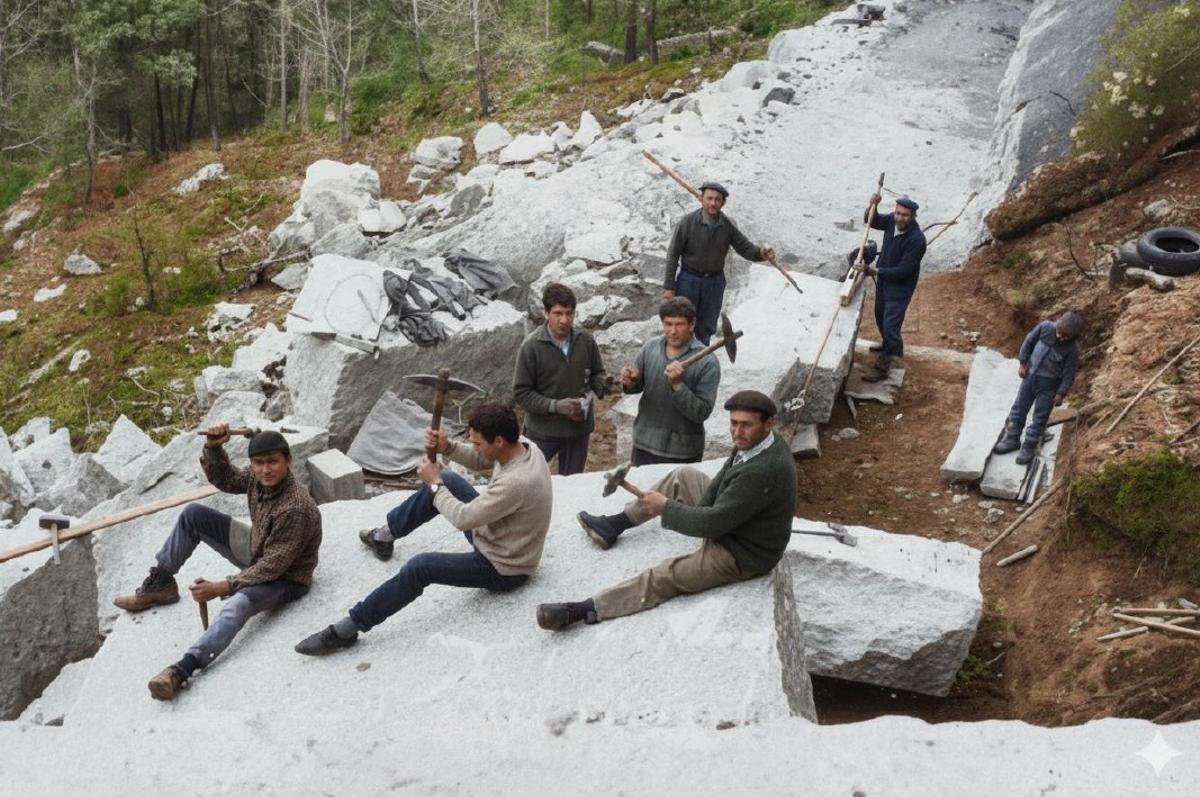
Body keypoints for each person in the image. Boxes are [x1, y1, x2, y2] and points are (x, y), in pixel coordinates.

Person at [295, 402, 552, 655]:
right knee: (449, 480)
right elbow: (481, 459)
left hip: (504, 566)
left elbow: (463, 518)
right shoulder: (524, 447)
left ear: (498, 441)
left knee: (420, 567)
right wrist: (448, 447)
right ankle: (385, 535)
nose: (475, 447)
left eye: (477, 443)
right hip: (498, 535)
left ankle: (347, 629)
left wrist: (434, 484)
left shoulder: (516, 482)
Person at [536, 390, 797, 629]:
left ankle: (586, 609)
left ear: (769, 424)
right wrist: (698, 509)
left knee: (664, 576)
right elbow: (723, 479)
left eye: (746, 424)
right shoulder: (754, 443)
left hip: (742, 552)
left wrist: (667, 509)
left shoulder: (763, 470)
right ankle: (613, 525)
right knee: (682, 476)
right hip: (732, 520)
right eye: (733, 423)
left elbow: (712, 525)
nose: (737, 431)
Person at [113, 424, 322, 701]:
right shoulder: (256, 479)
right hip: (257, 549)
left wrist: (224, 587)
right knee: (194, 514)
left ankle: (182, 669)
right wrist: (214, 447)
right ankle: (161, 583)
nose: (265, 470)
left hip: (286, 578)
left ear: (288, 461)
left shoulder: (295, 507)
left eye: (272, 462)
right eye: (258, 463)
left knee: (238, 603)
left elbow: (273, 566)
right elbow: (226, 478)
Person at [512, 282, 607, 476]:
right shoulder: (531, 347)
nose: (564, 320)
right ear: (546, 313)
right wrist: (556, 406)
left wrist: (604, 385)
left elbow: (597, 373)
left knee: (572, 484)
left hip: (577, 432)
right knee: (524, 477)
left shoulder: (585, 340)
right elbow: (522, 393)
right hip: (542, 432)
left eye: (569, 313)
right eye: (558, 313)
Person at [664, 181, 775, 345]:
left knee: (706, 325)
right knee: (682, 322)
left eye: (717, 200)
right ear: (701, 199)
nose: (713, 203)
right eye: (709, 198)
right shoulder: (687, 222)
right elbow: (673, 254)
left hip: (714, 283)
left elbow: (745, 248)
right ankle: (679, 362)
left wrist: (761, 254)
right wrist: (669, 286)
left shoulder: (727, 226)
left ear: (723, 203)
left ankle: (701, 360)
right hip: (689, 280)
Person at [993, 312, 1084, 465]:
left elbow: (1069, 373)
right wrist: (1022, 362)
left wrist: (1061, 393)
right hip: (1029, 378)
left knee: (1040, 417)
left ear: (1074, 337)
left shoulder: (1072, 350)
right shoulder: (1045, 327)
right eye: (1060, 333)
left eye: (1066, 337)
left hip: (1049, 387)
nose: (1061, 338)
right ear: (1058, 324)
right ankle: (1012, 439)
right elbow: (1028, 342)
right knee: (1018, 409)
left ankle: (1029, 446)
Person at [862, 193, 927, 382]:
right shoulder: (892, 221)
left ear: (913, 216)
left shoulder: (917, 240)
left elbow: (904, 271)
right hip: (884, 279)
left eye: (905, 215)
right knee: (880, 315)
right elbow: (870, 220)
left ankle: (887, 363)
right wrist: (872, 204)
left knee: (891, 325)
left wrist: (875, 271)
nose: (899, 218)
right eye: (898, 213)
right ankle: (887, 345)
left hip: (900, 287)